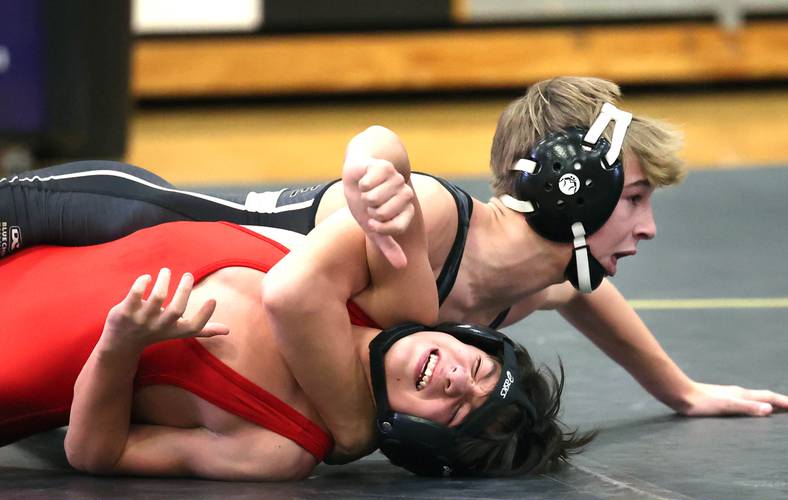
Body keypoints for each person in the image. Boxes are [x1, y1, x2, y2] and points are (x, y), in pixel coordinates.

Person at [2, 76, 788, 418]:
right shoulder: (437, 220)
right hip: (93, 216)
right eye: (634, 198)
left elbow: (587, 291)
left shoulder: (532, 279)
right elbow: (382, 157)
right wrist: (367, 156)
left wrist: (680, 389)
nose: (649, 227)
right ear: (572, 190)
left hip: (115, 289)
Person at [0, 152, 589, 480]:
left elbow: (94, 454)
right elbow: (390, 172)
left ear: (418, 440)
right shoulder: (396, 298)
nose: (460, 379)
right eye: (481, 370)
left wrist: (119, 347)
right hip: (41, 242)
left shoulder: (281, 447)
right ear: (471, 337)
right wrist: (379, 169)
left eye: (459, 408)